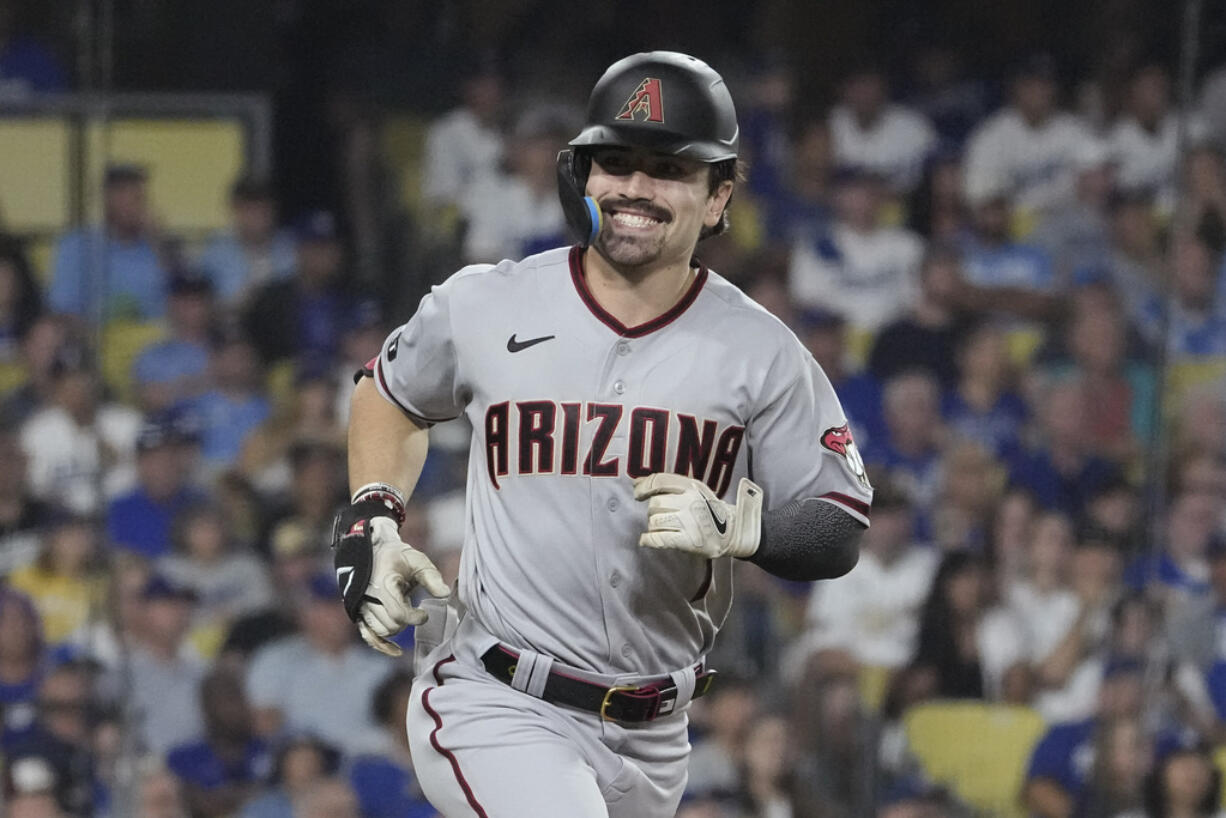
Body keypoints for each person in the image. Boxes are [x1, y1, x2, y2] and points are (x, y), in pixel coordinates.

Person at [331, 51, 872, 817]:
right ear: (579, 178)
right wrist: (373, 519)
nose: (634, 190)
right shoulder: (487, 303)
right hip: (497, 698)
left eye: (668, 170)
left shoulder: (763, 351)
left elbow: (839, 526)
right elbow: (388, 395)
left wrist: (744, 528)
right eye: (614, 163)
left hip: (657, 734)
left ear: (719, 198)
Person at [48, 164, 169, 323]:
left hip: (156, 342)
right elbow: (63, 309)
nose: (135, 206)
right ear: (106, 200)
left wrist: (160, 244)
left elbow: (185, 300)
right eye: (125, 196)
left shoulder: (159, 246)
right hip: (95, 340)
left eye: (139, 197)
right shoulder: (78, 246)